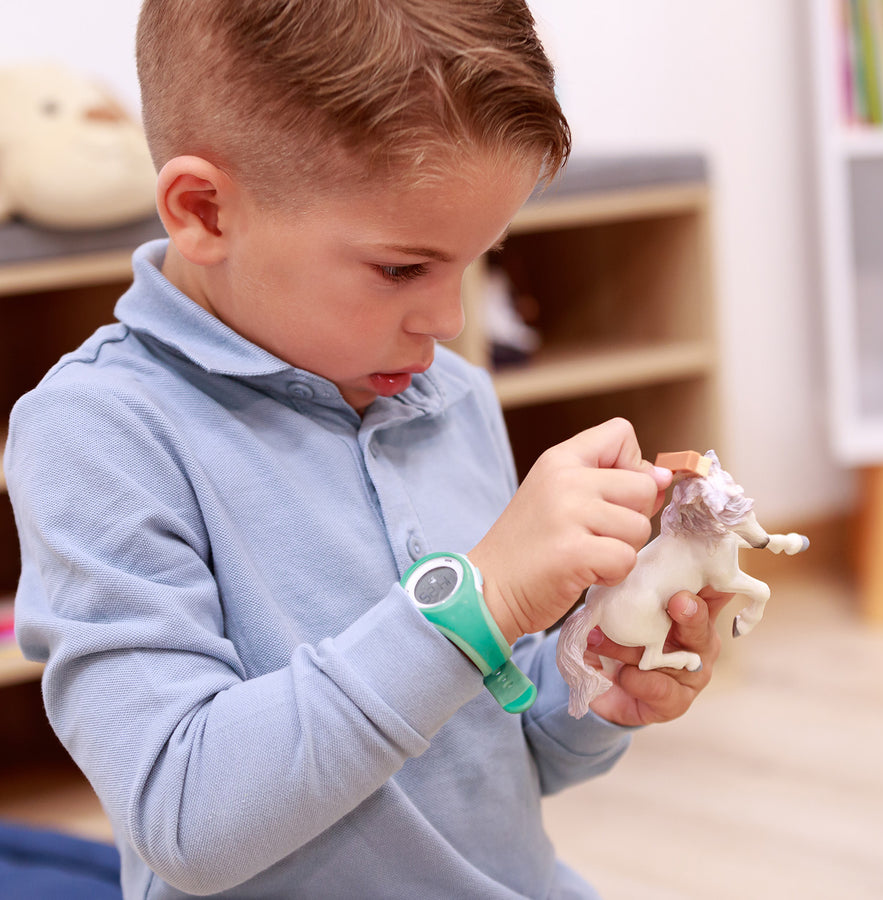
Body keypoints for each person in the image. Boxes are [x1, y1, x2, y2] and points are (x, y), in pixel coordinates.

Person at [5, 1, 730, 897]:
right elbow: (184, 817)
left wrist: (594, 674)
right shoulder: (99, 433)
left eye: (476, 261)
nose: (450, 321)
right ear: (204, 211)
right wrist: (483, 599)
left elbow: (493, 753)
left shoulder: (450, 395)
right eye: (402, 269)